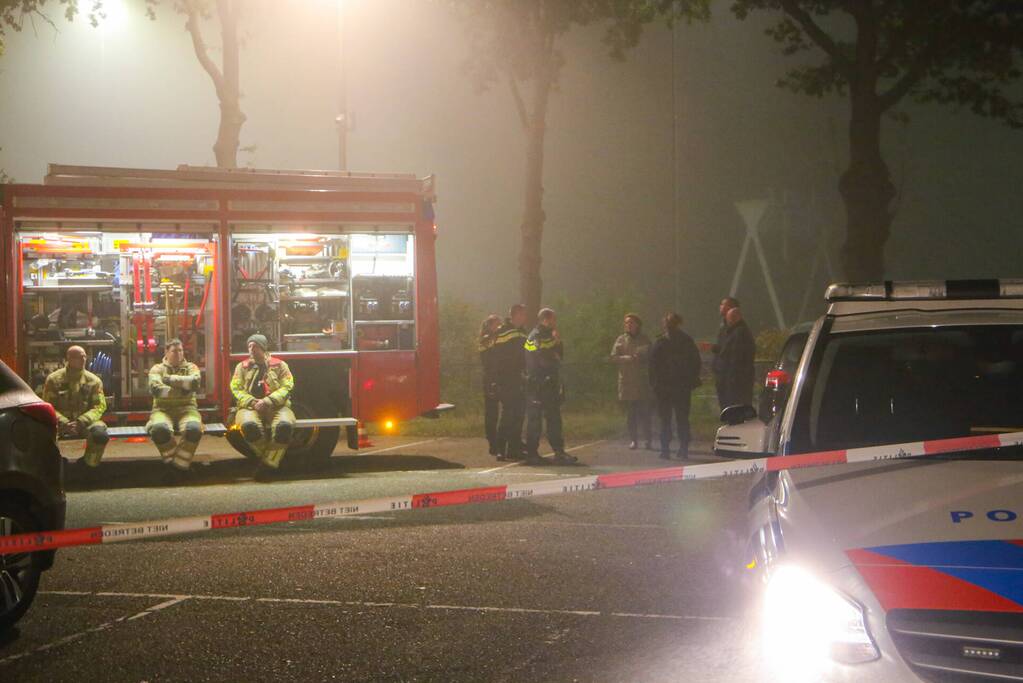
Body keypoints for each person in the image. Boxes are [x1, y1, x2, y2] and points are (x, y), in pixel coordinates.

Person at [231, 333, 296, 472]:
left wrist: (268, 401)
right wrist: (252, 402)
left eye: (255, 346)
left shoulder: (280, 365)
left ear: (263, 347)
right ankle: (270, 460)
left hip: (277, 406)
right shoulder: (242, 367)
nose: (251, 349)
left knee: (284, 427)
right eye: (249, 346)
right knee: (249, 427)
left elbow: (287, 386)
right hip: (249, 407)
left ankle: (268, 465)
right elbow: (236, 388)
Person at [524, 308, 576, 465]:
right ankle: (532, 454)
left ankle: (559, 452)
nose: (555, 322)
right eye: (553, 319)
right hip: (539, 383)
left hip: (550, 382)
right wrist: (553, 356)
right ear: (545, 319)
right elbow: (540, 359)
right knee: (535, 420)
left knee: (554, 418)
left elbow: (559, 356)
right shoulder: (536, 336)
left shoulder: (549, 335)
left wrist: (557, 343)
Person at [42, 345, 109, 467]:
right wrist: (63, 422)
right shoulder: (54, 380)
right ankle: (57, 464)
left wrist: (81, 421)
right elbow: (48, 407)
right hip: (60, 424)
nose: (83, 359)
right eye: (78, 357)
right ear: (69, 359)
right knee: (43, 436)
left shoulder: (94, 381)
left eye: (84, 356)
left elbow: (99, 406)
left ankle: (88, 465)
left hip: (85, 423)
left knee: (100, 435)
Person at [649, 313, 702, 460]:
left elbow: (652, 365)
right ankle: (679, 448)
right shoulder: (684, 341)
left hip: (671, 386)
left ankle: (668, 449)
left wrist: (654, 383)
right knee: (679, 418)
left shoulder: (662, 341)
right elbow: (695, 363)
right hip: (676, 386)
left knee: (668, 419)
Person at [146, 338, 203, 471]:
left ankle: (179, 465)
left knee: (194, 430)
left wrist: (169, 380)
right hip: (162, 410)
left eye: (180, 350)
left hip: (188, 410)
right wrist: (183, 389)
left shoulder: (191, 367)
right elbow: (157, 390)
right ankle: (173, 463)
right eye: (174, 351)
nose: (178, 354)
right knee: (159, 430)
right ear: (166, 352)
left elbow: (195, 383)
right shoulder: (157, 369)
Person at [490, 304, 529, 461]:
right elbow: (497, 357)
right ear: (516, 315)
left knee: (519, 414)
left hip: (520, 378)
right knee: (508, 414)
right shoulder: (503, 331)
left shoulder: (523, 332)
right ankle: (500, 449)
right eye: (523, 314)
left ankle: (514, 448)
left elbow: (529, 352)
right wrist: (496, 380)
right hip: (506, 379)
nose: (525, 317)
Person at [610, 313, 653, 450]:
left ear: (637, 325)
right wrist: (627, 358)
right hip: (627, 382)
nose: (628, 325)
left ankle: (648, 439)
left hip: (642, 382)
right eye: (626, 323)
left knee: (645, 413)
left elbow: (651, 355)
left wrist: (641, 357)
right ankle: (634, 440)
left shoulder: (645, 339)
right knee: (631, 414)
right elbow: (613, 357)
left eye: (631, 322)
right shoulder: (621, 339)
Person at [715, 307, 756, 410]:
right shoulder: (737, 331)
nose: (728, 321)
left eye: (730, 318)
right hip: (737, 376)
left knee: (735, 405)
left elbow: (735, 355)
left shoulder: (739, 333)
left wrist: (731, 375)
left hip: (736, 378)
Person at [478, 314, 503, 456]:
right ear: (490, 325)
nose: (500, 327)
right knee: (492, 413)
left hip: (499, 377)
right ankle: (493, 443)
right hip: (490, 379)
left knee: (505, 411)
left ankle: (503, 440)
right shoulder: (486, 339)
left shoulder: (496, 338)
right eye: (497, 324)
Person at [711, 296, 740, 409]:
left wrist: (715, 349)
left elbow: (731, 350)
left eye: (723, 304)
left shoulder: (735, 329)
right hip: (721, 373)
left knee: (731, 405)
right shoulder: (723, 326)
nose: (720, 307)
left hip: (729, 375)